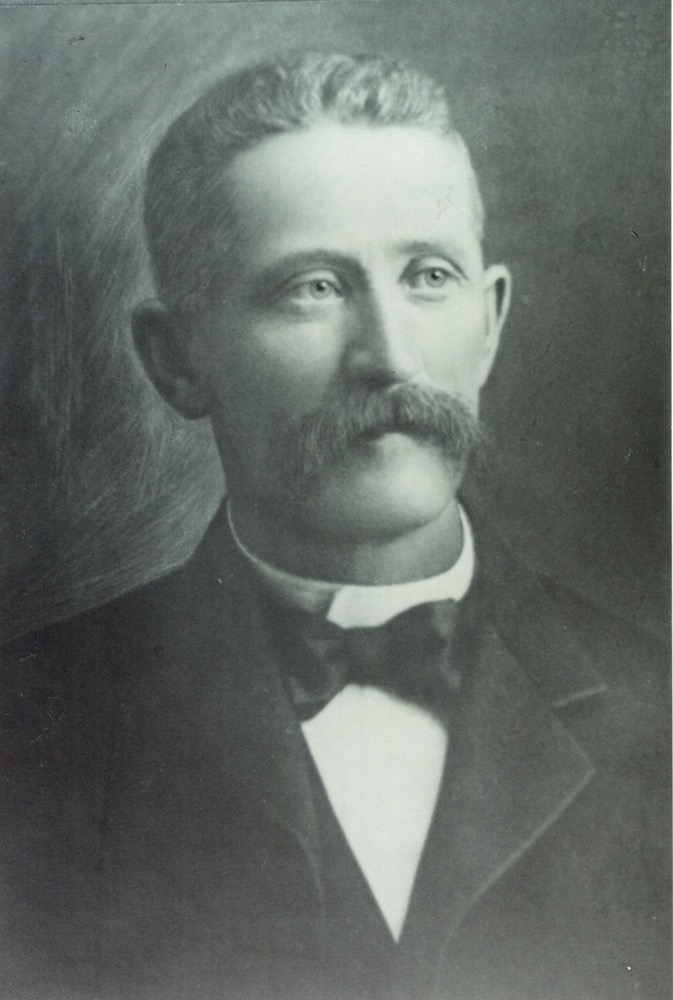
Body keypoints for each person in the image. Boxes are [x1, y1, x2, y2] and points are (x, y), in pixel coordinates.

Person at [1, 52, 669, 1000]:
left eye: (429, 277)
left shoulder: (660, 719)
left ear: (489, 325)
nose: (390, 359)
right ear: (175, 360)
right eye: (312, 287)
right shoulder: (26, 731)